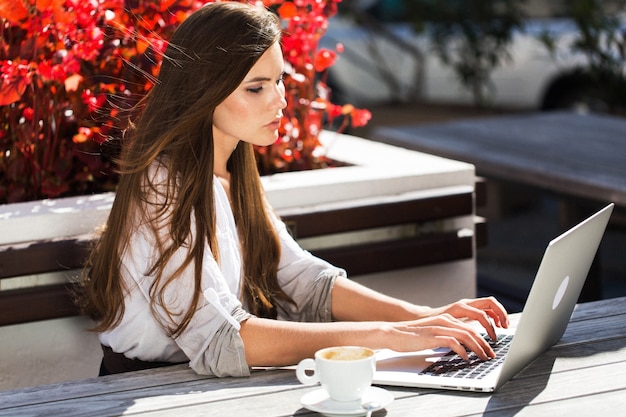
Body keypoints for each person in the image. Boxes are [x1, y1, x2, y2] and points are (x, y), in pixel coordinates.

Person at [79, 1, 509, 377]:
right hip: (142, 392)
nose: (280, 99)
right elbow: (227, 340)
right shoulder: (163, 189)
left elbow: (305, 282)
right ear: (203, 92)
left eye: (279, 80)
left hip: (197, 388)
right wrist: (390, 336)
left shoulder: (232, 171)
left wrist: (422, 317)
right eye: (257, 87)